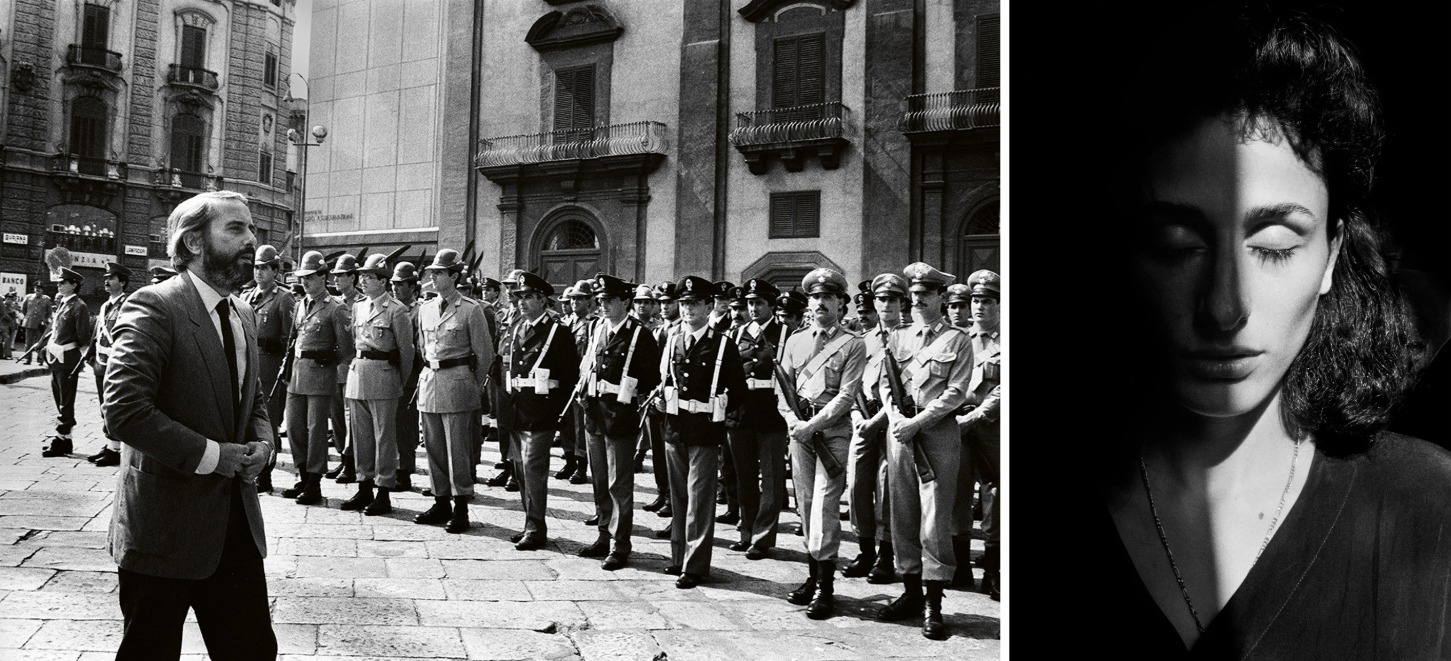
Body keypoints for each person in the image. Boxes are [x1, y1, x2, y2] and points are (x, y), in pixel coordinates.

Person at [1078, 6, 1451, 657]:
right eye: (1176, 243)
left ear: (1331, 254)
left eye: (1275, 242)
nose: (1225, 308)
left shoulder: (1430, 504)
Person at [102, 190, 277, 659]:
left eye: (253, 229)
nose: (251, 241)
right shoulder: (154, 305)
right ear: (195, 243)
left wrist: (264, 443)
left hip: (235, 529)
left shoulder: (242, 311)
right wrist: (214, 456)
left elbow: (252, 400)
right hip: (164, 527)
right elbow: (123, 411)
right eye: (236, 229)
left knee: (253, 651)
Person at [873, 262, 972, 640]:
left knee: (934, 520)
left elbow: (956, 392)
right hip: (900, 436)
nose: (917, 301)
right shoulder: (897, 338)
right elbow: (885, 383)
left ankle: (934, 602)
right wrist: (897, 416)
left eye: (925, 295)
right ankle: (911, 592)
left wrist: (919, 422)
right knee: (902, 514)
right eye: (913, 295)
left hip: (937, 437)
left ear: (941, 298)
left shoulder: (957, 340)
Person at [777, 268, 866, 619]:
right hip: (800, 432)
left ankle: (826, 588)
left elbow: (846, 396)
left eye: (828, 298)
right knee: (805, 502)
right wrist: (793, 422)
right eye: (815, 298)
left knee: (826, 506)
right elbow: (782, 388)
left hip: (833, 433)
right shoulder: (796, 340)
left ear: (841, 304)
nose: (820, 304)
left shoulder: (853, 344)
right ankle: (812, 577)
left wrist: (812, 424)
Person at [656, 275, 747, 588]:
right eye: (684, 303)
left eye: (694, 303)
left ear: (710, 306)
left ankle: (695, 566)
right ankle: (678, 557)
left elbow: (738, 390)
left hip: (705, 430)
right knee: (678, 497)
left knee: (699, 500)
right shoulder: (672, 339)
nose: (687, 309)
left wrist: (719, 406)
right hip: (675, 428)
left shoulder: (723, 344)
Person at [577, 273, 660, 570]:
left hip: (620, 415)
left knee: (619, 484)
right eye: (600, 300)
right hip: (595, 413)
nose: (604, 305)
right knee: (599, 480)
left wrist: (631, 388)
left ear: (625, 301)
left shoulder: (640, 335)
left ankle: (619, 543)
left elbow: (652, 379)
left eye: (609, 300)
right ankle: (603, 533)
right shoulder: (598, 328)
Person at [413, 250, 494, 533]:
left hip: (458, 384)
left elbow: (484, 355)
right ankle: (440, 500)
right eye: (432, 273)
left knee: (457, 450)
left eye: (439, 273)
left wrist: (471, 384)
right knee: (433, 448)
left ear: (454, 277)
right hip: (431, 382)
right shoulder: (424, 309)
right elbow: (422, 348)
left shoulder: (472, 310)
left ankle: (461, 505)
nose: (432, 277)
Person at [500, 271, 578, 548]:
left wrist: (557, 413)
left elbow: (569, 377)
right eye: (519, 296)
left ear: (543, 300)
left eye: (529, 297)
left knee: (534, 470)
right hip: (517, 409)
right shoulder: (518, 327)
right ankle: (529, 522)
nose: (521, 302)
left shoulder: (558, 332)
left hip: (541, 410)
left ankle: (536, 527)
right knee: (521, 470)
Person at [846, 273, 909, 584]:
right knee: (857, 484)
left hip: (891, 421)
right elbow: (853, 381)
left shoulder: (908, 337)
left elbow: (906, 389)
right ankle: (865, 549)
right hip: (863, 419)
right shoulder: (865, 339)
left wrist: (879, 421)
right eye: (880, 299)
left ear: (901, 303)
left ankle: (886, 555)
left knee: (887, 489)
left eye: (892, 300)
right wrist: (858, 417)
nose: (885, 305)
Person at [340, 254, 415, 515]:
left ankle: (383, 490)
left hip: (384, 376)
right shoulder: (359, 306)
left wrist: (399, 382)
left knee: (384, 437)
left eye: (369, 277)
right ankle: (364, 486)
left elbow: (407, 351)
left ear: (383, 281)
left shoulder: (397, 310)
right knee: (360, 437)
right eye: (362, 276)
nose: (363, 280)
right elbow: (353, 342)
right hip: (359, 374)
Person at [280, 252, 352, 506]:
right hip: (297, 374)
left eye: (310, 277)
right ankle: (302, 475)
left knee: (316, 430)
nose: (306, 281)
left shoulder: (336, 308)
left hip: (320, 375)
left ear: (323, 276)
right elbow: (293, 338)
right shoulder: (301, 304)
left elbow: (346, 349)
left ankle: (314, 482)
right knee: (294, 428)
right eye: (303, 277)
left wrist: (327, 359)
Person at [726, 278, 790, 560]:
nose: (753, 308)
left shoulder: (787, 333)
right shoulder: (737, 334)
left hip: (771, 414)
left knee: (772, 479)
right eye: (750, 303)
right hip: (741, 413)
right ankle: (747, 531)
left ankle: (763, 538)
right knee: (744, 476)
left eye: (759, 303)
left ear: (771, 305)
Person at [244, 245, 294, 492]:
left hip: (269, 368)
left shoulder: (283, 299)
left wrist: (284, 372)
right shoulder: (247, 297)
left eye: (264, 268)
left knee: (267, 423)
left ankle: (266, 475)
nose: (259, 272)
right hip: (248, 366)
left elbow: (289, 339)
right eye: (256, 267)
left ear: (275, 270)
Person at [40, 267, 92, 457]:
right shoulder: (63, 302)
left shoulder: (79, 306)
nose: (59, 285)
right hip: (56, 358)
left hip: (68, 359)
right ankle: (65, 441)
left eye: (63, 282)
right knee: (59, 398)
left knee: (66, 401)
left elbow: (82, 336)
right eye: (59, 282)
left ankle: (60, 438)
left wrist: (72, 351)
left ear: (73, 285)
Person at [83, 262, 131, 466]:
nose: (106, 281)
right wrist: (90, 353)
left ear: (122, 282)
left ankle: (116, 449)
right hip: (101, 363)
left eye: (111, 278)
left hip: (116, 363)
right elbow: (98, 333)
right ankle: (110, 445)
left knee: (114, 406)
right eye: (105, 278)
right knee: (104, 406)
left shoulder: (127, 305)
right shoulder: (105, 306)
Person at [325, 253, 362, 483]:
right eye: (335, 276)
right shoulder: (333, 304)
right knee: (337, 418)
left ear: (353, 277)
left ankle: (352, 461)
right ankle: (342, 457)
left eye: (341, 276)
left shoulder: (361, 303)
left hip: (352, 368)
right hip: (334, 368)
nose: (336, 280)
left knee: (351, 418)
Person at [557, 280, 597, 484]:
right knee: (566, 423)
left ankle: (582, 465)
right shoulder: (566, 322)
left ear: (590, 301)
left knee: (581, 425)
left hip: (582, 382)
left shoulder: (593, 324)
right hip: (565, 380)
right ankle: (569, 459)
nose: (575, 302)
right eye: (573, 299)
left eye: (580, 299)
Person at [389, 261, 423, 491]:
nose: (395, 288)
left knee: (404, 426)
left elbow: (420, 347)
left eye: (401, 284)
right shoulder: (389, 308)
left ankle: (405, 470)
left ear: (413, 287)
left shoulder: (418, 311)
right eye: (393, 283)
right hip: (388, 374)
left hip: (409, 376)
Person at [19, 282, 53, 364]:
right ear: (34, 289)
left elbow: (49, 311)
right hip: (30, 322)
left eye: (40, 288)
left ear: (43, 290)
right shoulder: (28, 297)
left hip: (40, 324)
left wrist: (44, 319)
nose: (37, 290)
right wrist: (28, 317)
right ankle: (28, 359)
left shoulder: (46, 299)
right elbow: (24, 309)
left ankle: (40, 359)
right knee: (28, 342)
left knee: (40, 341)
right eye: (36, 288)